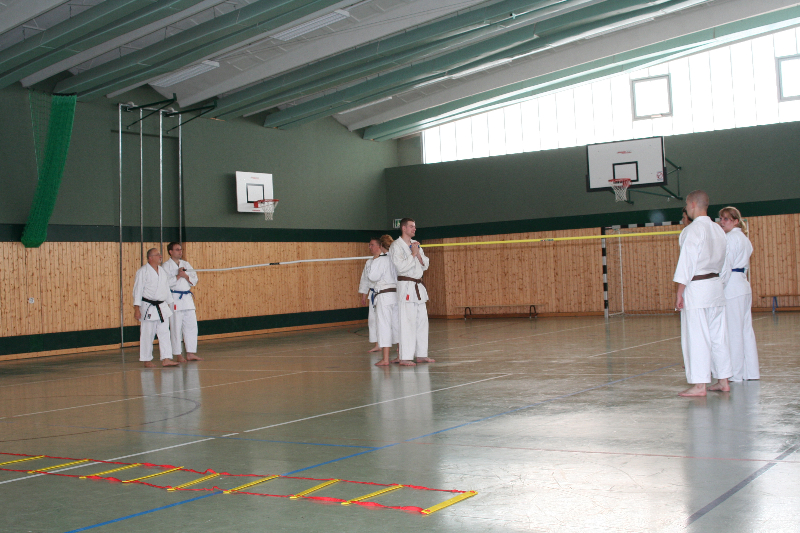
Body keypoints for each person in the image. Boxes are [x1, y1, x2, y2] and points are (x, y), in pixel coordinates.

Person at [674, 190, 732, 396]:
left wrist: (680, 291)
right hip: (715, 286)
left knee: (697, 337)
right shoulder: (719, 230)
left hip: (697, 289)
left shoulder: (691, 231)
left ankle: (700, 385)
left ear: (691, 204)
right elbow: (725, 263)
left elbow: (686, 263)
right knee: (718, 337)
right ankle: (723, 381)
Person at [719, 207, 760, 381]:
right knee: (745, 330)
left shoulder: (729, 239)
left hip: (732, 287)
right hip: (743, 286)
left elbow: (725, 268)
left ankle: (735, 374)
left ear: (736, 221)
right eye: (721, 218)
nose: (722, 222)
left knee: (734, 332)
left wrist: (719, 286)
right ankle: (751, 372)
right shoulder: (744, 239)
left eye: (726, 219)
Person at [389, 218, 434, 366]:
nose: (414, 229)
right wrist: (413, 254)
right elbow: (400, 267)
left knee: (422, 322)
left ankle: (421, 354)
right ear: (403, 228)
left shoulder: (415, 244)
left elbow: (425, 265)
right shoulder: (396, 246)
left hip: (418, 286)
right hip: (406, 285)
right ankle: (405, 357)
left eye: (415, 226)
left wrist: (418, 253)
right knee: (407, 323)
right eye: (411, 226)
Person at [133, 248, 178, 368]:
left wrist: (171, 303)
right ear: (150, 258)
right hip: (148, 307)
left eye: (160, 254)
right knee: (147, 334)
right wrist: (137, 309)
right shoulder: (143, 271)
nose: (160, 256)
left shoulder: (162, 271)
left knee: (165, 333)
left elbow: (166, 288)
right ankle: (146, 359)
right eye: (157, 255)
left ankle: (166, 358)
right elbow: (137, 291)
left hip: (162, 307)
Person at [163, 242, 202, 363]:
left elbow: (195, 280)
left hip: (187, 298)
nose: (180, 251)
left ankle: (190, 353)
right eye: (177, 250)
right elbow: (165, 283)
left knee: (191, 326)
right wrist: (178, 276)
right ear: (170, 252)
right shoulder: (166, 266)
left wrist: (185, 275)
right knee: (176, 327)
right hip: (175, 297)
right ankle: (178, 354)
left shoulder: (186, 264)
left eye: (180, 249)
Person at [367, 234, 400, 366]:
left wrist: (375, 261)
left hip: (384, 295)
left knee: (384, 325)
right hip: (396, 294)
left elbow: (372, 277)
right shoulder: (395, 259)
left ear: (381, 246)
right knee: (397, 325)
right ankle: (400, 355)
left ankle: (385, 359)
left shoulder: (380, 260)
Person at [358, 238, 382, 353]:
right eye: (369, 245)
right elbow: (365, 279)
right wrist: (364, 294)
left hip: (384, 293)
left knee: (387, 320)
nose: (370, 247)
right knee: (373, 320)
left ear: (379, 246)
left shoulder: (385, 259)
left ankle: (396, 344)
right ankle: (378, 344)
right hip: (373, 294)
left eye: (372, 245)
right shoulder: (369, 262)